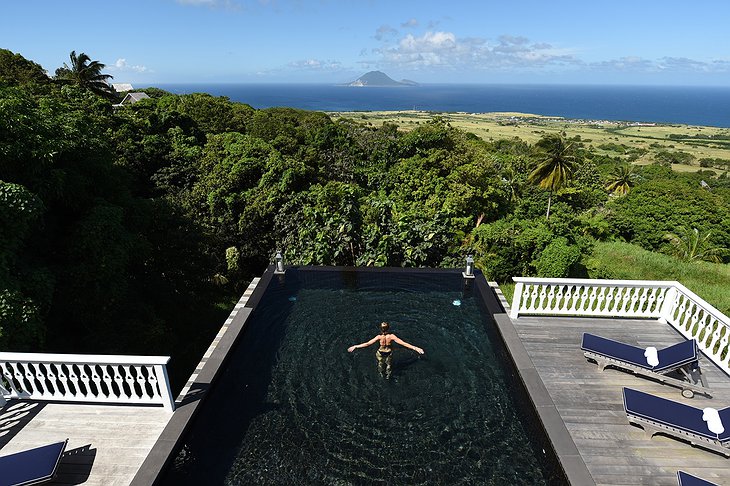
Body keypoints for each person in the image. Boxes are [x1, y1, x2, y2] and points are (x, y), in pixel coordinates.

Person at [347, 322, 424, 379]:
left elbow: (367, 344)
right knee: (389, 365)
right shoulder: (392, 336)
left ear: (380, 329)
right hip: (388, 353)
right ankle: (388, 376)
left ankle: (381, 374)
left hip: (380, 352)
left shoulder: (378, 337)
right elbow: (403, 343)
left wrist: (356, 346)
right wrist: (415, 348)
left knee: (380, 363)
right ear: (388, 328)